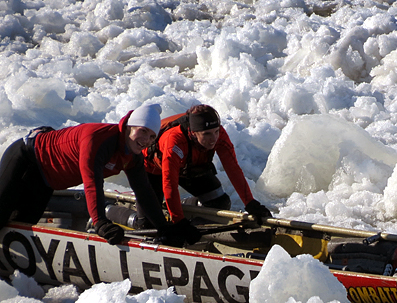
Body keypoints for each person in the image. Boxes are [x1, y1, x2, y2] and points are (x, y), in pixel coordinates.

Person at [0, 104, 171, 244]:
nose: (146, 140)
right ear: (129, 127)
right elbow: (92, 183)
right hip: (26, 158)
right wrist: (100, 222)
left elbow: (144, 193)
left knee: (21, 228)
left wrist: (164, 227)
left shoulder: (133, 156)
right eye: (143, 131)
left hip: (45, 181)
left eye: (152, 136)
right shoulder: (98, 140)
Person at [137, 104, 272, 244]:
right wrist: (179, 222)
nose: (213, 138)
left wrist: (250, 203)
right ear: (194, 133)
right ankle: (114, 211)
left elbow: (233, 169)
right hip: (152, 168)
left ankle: (184, 208)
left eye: (215, 131)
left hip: (188, 166)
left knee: (220, 202)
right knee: (148, 226)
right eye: (206, 134)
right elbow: (169, 183)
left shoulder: (219, 135)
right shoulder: (175, 141)